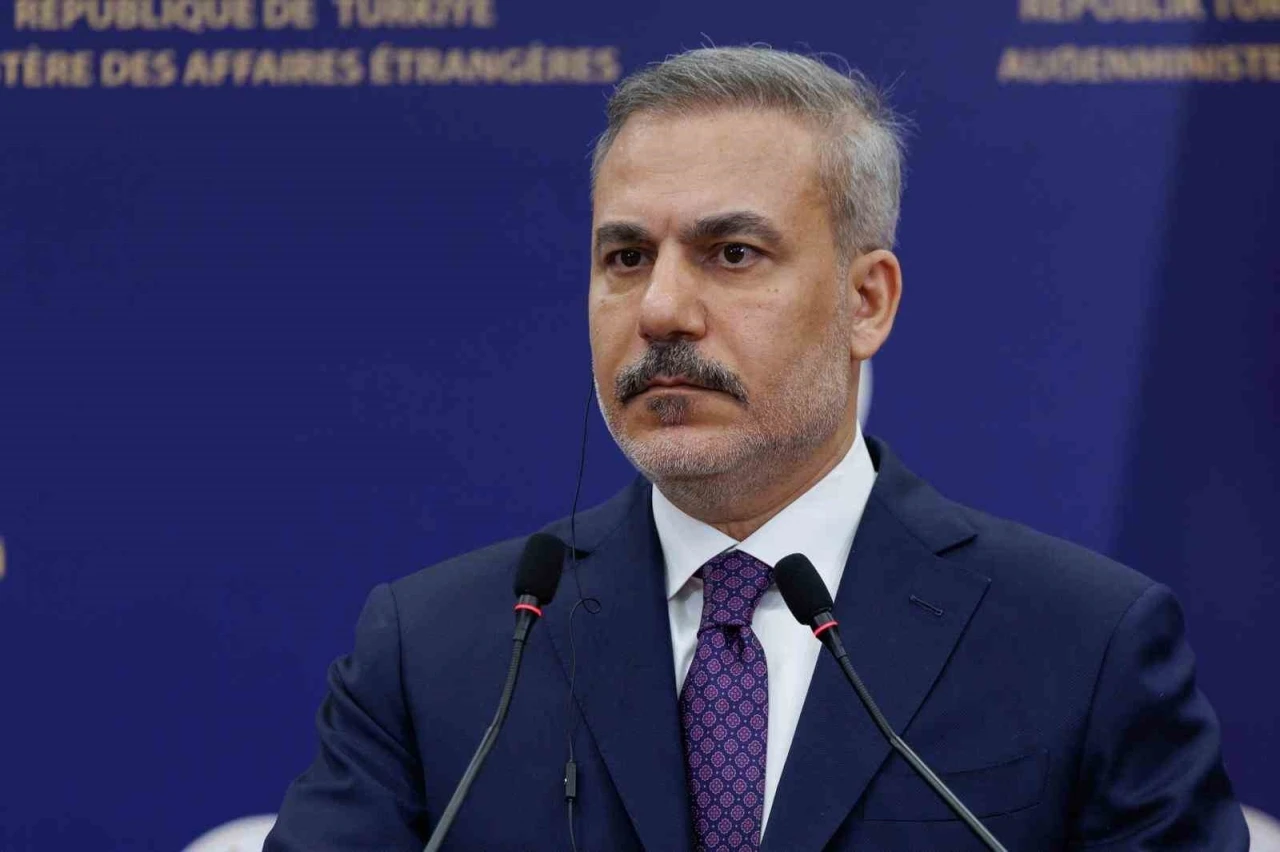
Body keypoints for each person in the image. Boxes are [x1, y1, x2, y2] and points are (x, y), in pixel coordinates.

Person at [264, 46, 1247, 851]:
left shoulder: (1083, 644)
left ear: (866, 302)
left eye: (732, 254)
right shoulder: (438, 653)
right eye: (625, 257)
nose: (661, 309)